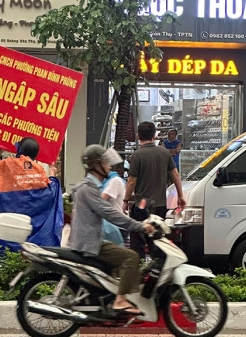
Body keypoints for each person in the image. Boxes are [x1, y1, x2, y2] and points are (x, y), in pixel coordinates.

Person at [72, 145, 155, 314]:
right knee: (131, 257)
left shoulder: (89, 186)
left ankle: (111, 299)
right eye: (105, 162)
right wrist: (140, 226)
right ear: (96, 165)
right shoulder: (88, 189)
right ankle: (120, 300)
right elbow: (109, 213)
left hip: (91, 240)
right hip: (90, 244)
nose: (109, 165)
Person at [0, 137, 63, 254]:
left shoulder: (7, 165)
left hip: (9, 235)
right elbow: (52, 191)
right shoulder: (39, 171)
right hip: (35, 240)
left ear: (20, 149)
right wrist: (52, 171)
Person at [126, 121, 186, 254]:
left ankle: (139, 264)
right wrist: (180, 196)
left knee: (138, 239)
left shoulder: (137, 155)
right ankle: (158, 264)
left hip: (142, 205)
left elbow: (131, 181)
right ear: (154, 136)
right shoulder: (165, 153)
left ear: (138, 136)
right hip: (160, 205)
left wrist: (125, 200)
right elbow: (175, 175)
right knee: (157, 240)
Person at [99, 151, 128, 245]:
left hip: (116, 226)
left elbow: (101, 199)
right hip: (111, 225)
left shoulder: (114, 181)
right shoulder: (106, 182)